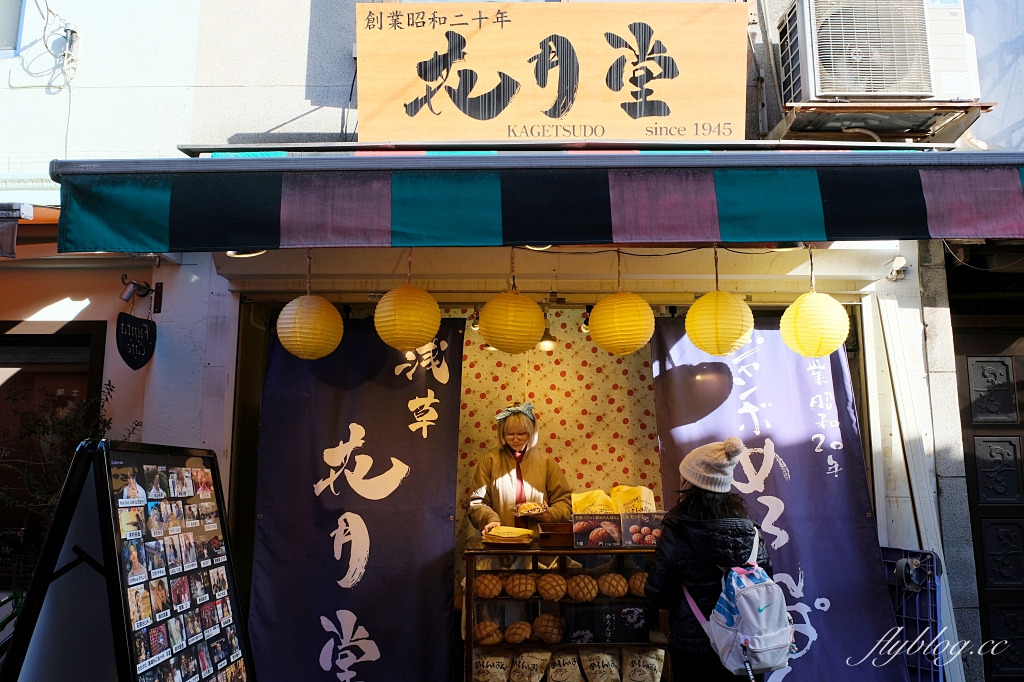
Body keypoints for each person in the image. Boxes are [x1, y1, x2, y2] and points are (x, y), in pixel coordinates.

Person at [645, 437, 774, 682]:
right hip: (746, 645)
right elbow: (765, 588)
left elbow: (659, 595)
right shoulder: (751, 531)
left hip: (693, 647)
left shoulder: (675, 531)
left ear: (689, 483)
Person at [467, 402, 572, 534]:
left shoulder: (546, 462)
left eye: (521, 434)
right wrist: (491, 520)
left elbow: (564, 501)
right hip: (500, 538)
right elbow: (476, 503)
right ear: (502, 433)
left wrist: (550, 515)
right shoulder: (489, 461)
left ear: (531, 432)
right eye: (510, 434)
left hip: (538, 541)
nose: (516, 440)